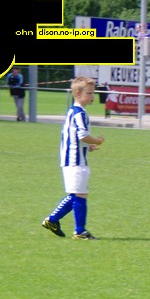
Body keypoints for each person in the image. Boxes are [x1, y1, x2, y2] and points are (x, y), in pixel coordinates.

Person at [41, 76, 104, 240]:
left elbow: (75, 137)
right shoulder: (79, 113)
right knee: (80, 195)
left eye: (93, 93)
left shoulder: (73, 111)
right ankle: (79, 231)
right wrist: (97, 141)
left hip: (73, 159)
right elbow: (83, 135)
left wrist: (87, 147)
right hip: (75, 161)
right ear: (77, 93)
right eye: (89, 93)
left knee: (78, 194)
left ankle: (52, 220)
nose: (92, 96)